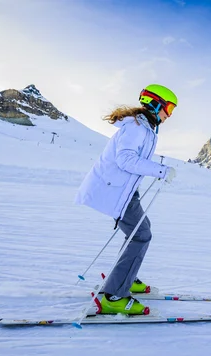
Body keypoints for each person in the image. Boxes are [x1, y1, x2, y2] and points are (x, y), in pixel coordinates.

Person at [75, 84, 178, 315]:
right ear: (155, 103)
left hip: (125, 190)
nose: (169, 115)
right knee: (141, 235)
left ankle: (125, 278)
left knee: (141, 230)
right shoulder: (136, 127)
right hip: (116, 190)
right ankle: (114, 295)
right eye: (168, 108)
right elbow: (125, 160)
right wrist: (160, 170)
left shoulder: (142, 126)